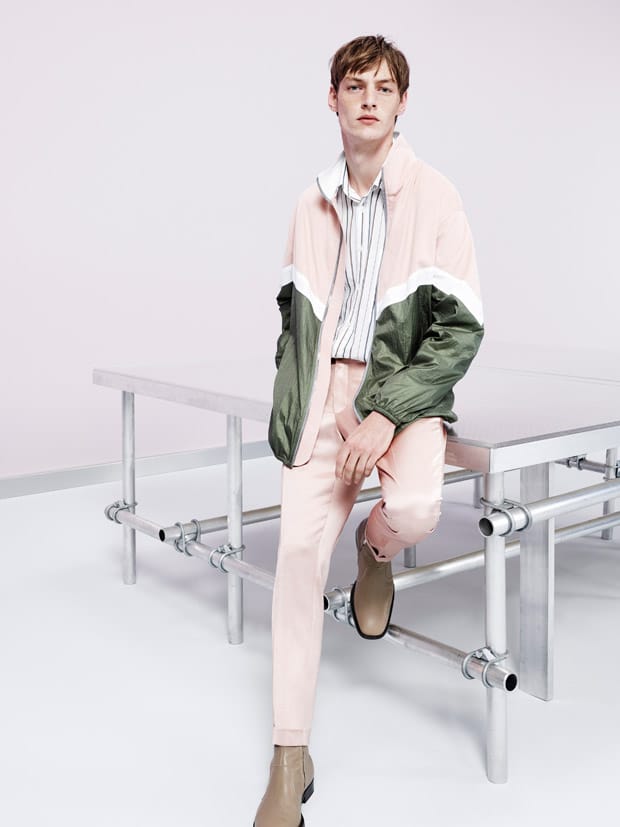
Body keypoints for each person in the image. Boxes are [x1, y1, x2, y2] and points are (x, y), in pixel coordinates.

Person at [253, 34, 484, 827]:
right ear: (334, 100)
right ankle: (290, 758)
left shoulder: (436, 196)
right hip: (325, 397)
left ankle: (374, 550)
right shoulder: (308, 202)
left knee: (416, 508)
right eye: (355, 86)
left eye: (384, 88)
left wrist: (386, 410)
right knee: (293, 558)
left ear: (401, 103)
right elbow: (295, 317)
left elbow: (459, 330)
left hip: (403, 393)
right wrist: (301, 402)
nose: (369, 99)